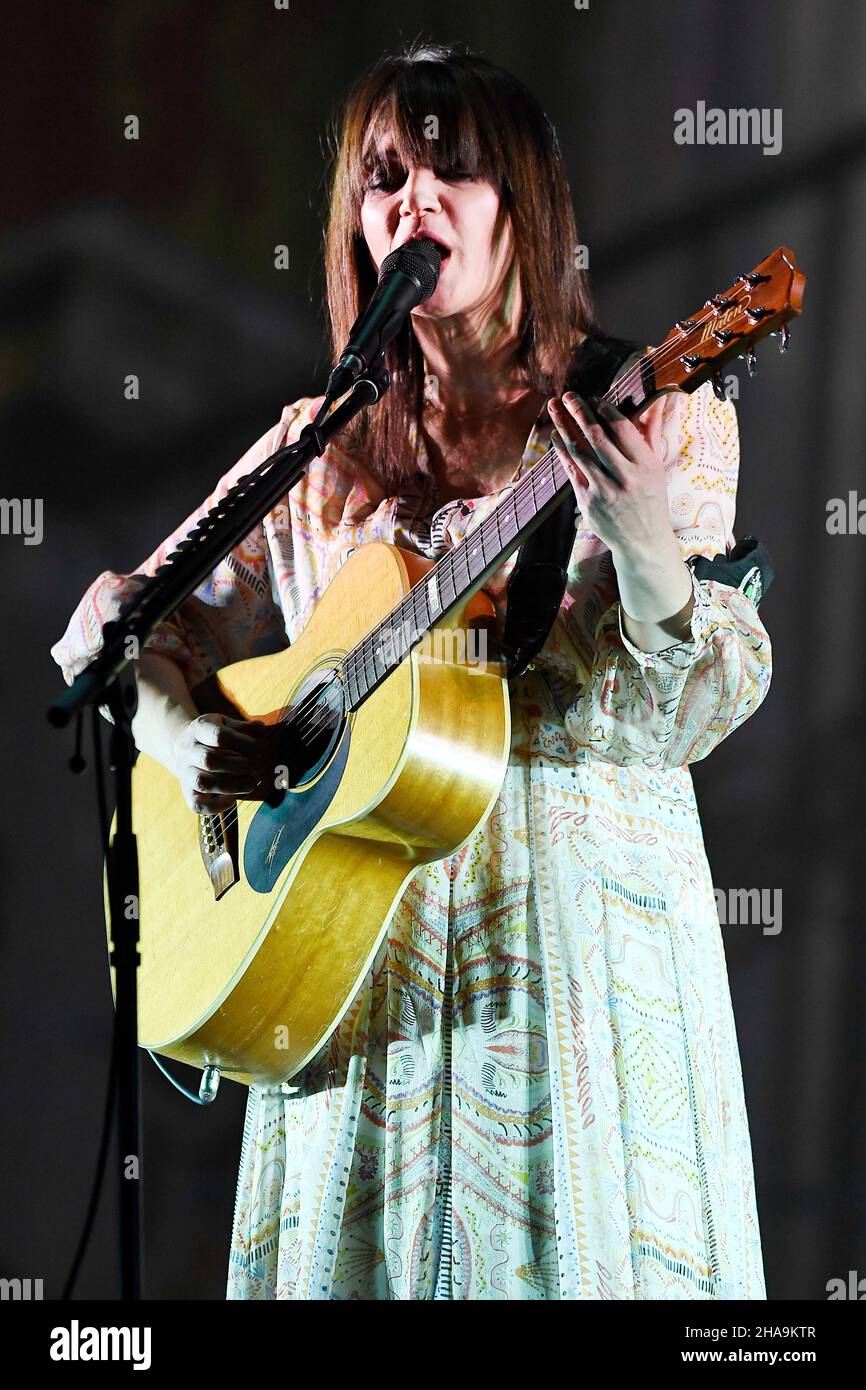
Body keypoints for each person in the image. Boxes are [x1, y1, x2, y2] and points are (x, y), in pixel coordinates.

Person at [52, 42, 772, 1300]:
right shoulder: (318, 449)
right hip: (352, 967)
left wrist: (644, 540)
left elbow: (678, 712)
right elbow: (117, 634)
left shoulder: (649, 412)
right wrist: (184, 743)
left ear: (524, 210)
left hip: (566, 971)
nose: (413, 202)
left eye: (455, 171)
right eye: (384, 177)